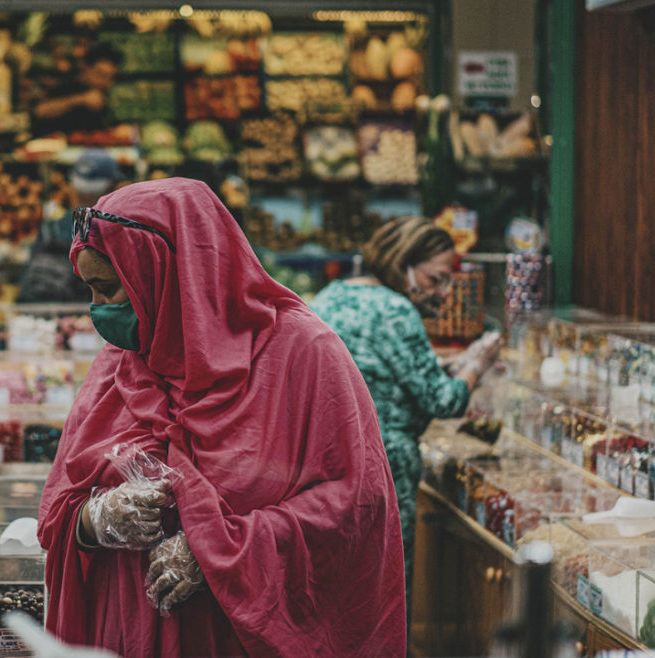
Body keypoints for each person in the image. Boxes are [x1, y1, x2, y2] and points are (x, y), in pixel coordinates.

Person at [38, 178, 407, 656]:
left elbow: (355, 504)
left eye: (110, 289)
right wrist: (96, 520)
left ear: (170, 273)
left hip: (241, 636)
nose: (99, 310)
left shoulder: (302, 352)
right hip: (130, 632)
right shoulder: (123, 359)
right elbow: (59, 509)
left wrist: (219, 551)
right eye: (91, 291)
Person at [311, 217, 502, 615]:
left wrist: (449, 363)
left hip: (327, 462)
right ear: (404, 265)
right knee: (385, 591)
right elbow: (442, 400)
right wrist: (477, 364)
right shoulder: (397, 309)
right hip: (386, 468)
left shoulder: (331, 295)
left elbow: (382, 366)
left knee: (338, 589)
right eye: (436, 280)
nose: (444, 293)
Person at [18, 150, 123, 303]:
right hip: (87, 315)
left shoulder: (51, 227)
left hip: (45, 316)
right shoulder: (116, 229)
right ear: (111, 186)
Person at [32, 43, 122, 136]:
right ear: (85, 68)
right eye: (100, 74)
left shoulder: (104, 93)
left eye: (110, 77)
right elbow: (39, 112)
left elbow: (107, 126)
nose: (105, 82)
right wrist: (81, 100)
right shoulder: (67, 83)